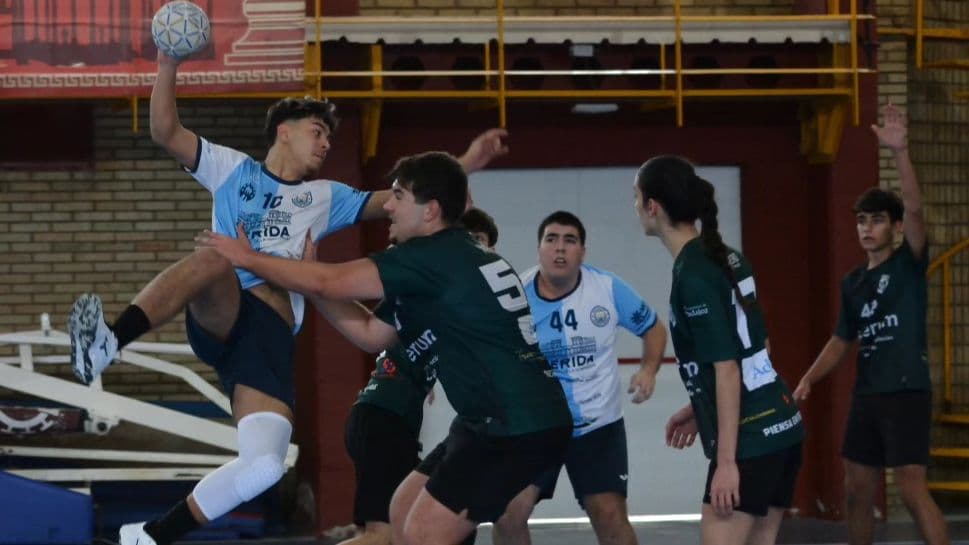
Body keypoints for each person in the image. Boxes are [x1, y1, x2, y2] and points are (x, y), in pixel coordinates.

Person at [67, 49, 507, 545]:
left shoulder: (326, 196)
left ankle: (149, 537)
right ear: (285, 130)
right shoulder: (231, 170)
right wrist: (169, 60)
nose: (324, 144)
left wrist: (467, 162)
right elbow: (166, 131)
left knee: (265, 466)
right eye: (317, 132)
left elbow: (404, 200)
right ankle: (109, 341)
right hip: (228, 309)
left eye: (328, 137)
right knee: (216, 255)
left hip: (270, 340)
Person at [197, 151, 573, 545]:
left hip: (514, 425)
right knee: (402, 512)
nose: (388, 206)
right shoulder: (452, 258)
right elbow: (370, 332)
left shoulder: (430, 258)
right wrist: (307, 279)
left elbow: (331, 282)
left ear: (430, 212)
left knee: (429, 530)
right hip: (488, 420)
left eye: (398, 196)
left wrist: (249, 259)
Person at [792, 104, 949, 545]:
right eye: (861, 220)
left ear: (894, 227)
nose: (866, 228)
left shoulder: (909, 265)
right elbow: (842, 341)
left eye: (877, 220)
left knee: (913, 489)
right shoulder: (854, 282)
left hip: (906, 391)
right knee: (856, 491)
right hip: (869, 395)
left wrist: (899, 152)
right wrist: (808, 378)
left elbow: (916, 209)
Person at [634, 156, 804, 545]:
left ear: (653, 206)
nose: (635, 208)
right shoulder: (727, 256)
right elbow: (758, 346)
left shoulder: (693, 275)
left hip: (751, 439)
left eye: (636, 197)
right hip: (783, 427)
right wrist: (700, 407)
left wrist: (726, 463)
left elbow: (727, 367)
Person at [493, 211, 667, 545]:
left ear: (582, 252)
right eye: (551, 239)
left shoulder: (607, 288)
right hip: (537, 424)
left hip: (597, 425)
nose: (560, 249)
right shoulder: (516, 297)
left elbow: (654, 329)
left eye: (569, 241)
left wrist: (648, 369)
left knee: (610, 515)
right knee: (507, 512)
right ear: (539, 248)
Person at [332, 206, 501, 545]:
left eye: (485, 245)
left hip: (394, 420)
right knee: (383, 535)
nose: (479, 253)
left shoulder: (465, 294)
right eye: (473, 242)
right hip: (381, 418)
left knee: (438, 527)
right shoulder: (430, 284)